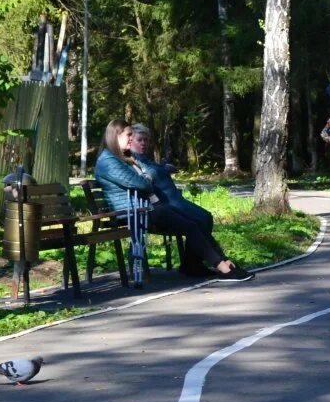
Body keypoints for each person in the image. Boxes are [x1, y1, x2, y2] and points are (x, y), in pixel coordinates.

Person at [93, 119, 253, 283]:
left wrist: (146, 178)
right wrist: (146, 178)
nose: (130, 138)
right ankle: (222, 267)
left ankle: (224, 263)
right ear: (116, 135)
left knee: (195, 223)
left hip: (145, 208)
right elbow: (142, 184)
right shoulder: (108, 161)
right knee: (190, 225)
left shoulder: (123, 158)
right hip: (133, 212)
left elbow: (146, 177)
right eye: (128, 135)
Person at [128, 123, 233, 279]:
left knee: (206, 217)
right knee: (199, 221)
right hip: (166, 204)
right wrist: (156, 172)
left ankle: (192, 264)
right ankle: (199, 264)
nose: (144, 143)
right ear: (130, 141)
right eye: (140, 140)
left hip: (176, 199)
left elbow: (156, 171)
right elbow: (144, 180)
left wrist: (164, 167)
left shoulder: (146, 159)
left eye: (146, 140)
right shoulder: (132, 160)